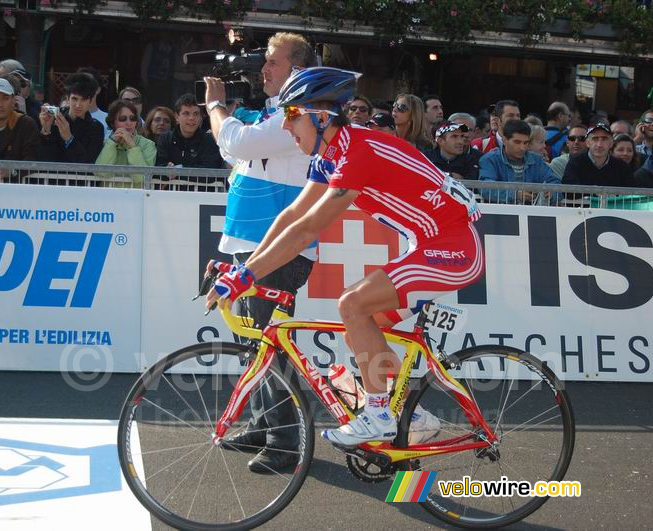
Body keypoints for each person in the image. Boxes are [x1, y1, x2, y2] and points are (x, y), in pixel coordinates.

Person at [206, 67, 481, 447]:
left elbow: (306, 231)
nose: (285, 129)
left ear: (320, 118)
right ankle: (410, 415)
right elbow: (291, 217)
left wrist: (244, 278)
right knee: (359, 331)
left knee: (352, 304)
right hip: (428, 243)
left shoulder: (357, 153)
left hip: (453, 248)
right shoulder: (331, 153)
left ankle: (380, 415)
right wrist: (247, 267)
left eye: (290, 116)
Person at [203, 32, 318, 471]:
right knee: (253, 342)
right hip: (252, 243)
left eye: (271, 61)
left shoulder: (299, 111)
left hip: (278, 248)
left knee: (272, 344)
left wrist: (216, 105)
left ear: (298, 68)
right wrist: (229, 121)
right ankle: (262, 423)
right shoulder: (277, 111)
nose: (262, 69)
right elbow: (235, 151)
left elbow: (237, 144)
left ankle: (286, 441)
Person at [479, 119, 559, 204]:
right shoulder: (490, 160)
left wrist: (551, 194)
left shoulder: (537, 161)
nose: (522, 148)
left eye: (526, 143)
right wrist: (516, 194)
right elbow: (485, 187)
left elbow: (556, 183)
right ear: (504, 140)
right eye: (517, 142)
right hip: (500, 215)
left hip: (531, 215)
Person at [37, 72, 104, 163]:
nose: (78, 105)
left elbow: (88, 163)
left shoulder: (96, 128)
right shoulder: (53, 118)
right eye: (74, 99)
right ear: (68, 99)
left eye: (83, 99)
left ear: (91, 101)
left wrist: (69, 138)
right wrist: (46, 131)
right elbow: (43, 159)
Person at [95, 100, 156, 186]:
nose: (129, 123)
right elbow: (101, 173)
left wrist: (133, 146)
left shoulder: (148, 145)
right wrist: (112, 143)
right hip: (108, 197)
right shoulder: (105, 143)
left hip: (136, 197)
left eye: (132, 118)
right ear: (113, 122)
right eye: (122, 119)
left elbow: (141, 177)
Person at [155, 93, 222, 170]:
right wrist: (167, 170)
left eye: (196, 114)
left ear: (201, 117)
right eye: (186, 113)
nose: (191, 118)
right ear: (177, 117)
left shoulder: (210, 140)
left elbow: (210, 170)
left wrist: (178, 170)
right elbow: (158, 167)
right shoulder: (165, 139)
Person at [562, 124, 635, 187]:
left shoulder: (622, 167)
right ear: (587, 143)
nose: (599, 144)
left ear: (611, 143)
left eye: (604, 139)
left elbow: (630, 194)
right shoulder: (575, 163)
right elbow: (568, 192)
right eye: (595, 139)